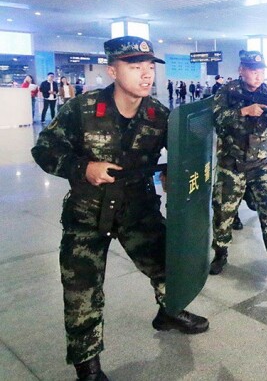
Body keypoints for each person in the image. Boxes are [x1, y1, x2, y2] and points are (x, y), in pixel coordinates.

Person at [31, 36, 209, 381]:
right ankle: (88, 366)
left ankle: (169, 312)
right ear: (113, 70)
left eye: (148, 67)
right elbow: (44, 151)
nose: (146, 74)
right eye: (134, 66)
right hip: (87, 213)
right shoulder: (81, 110)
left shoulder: (160, 115)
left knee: (167, 266)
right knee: (82, 291)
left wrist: (176, 173)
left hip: (137, 208)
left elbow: (183, 154)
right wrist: (83, 168)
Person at [209, 50, 267, 281]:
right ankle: (220, 253)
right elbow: (216, 120)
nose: (257, 75)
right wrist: (243, 111)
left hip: (260, 163)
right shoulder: (227, 92)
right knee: (223, 211)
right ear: (241, 70)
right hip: (232, 163)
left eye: (261, 71)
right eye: (252, 70)